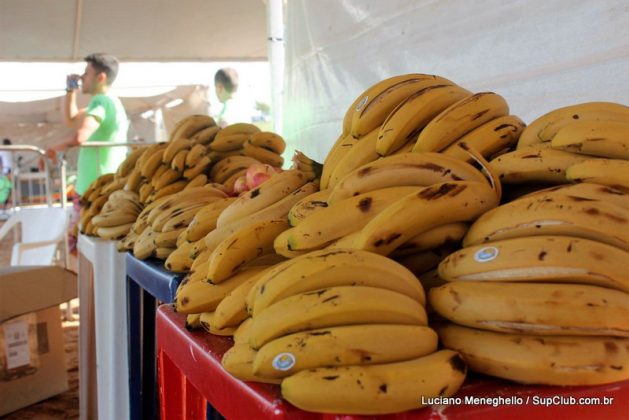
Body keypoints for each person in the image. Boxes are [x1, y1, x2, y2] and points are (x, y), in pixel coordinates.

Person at [46, 53, 128, 196]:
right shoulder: (111, 102)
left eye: (86, 73)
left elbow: (80, 136)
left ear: (100, 77)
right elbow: (71, 120)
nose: (82, 77)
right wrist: (70, 91)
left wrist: (54, 149)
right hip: (104, 186)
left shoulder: (100, 102)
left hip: (96, 189)